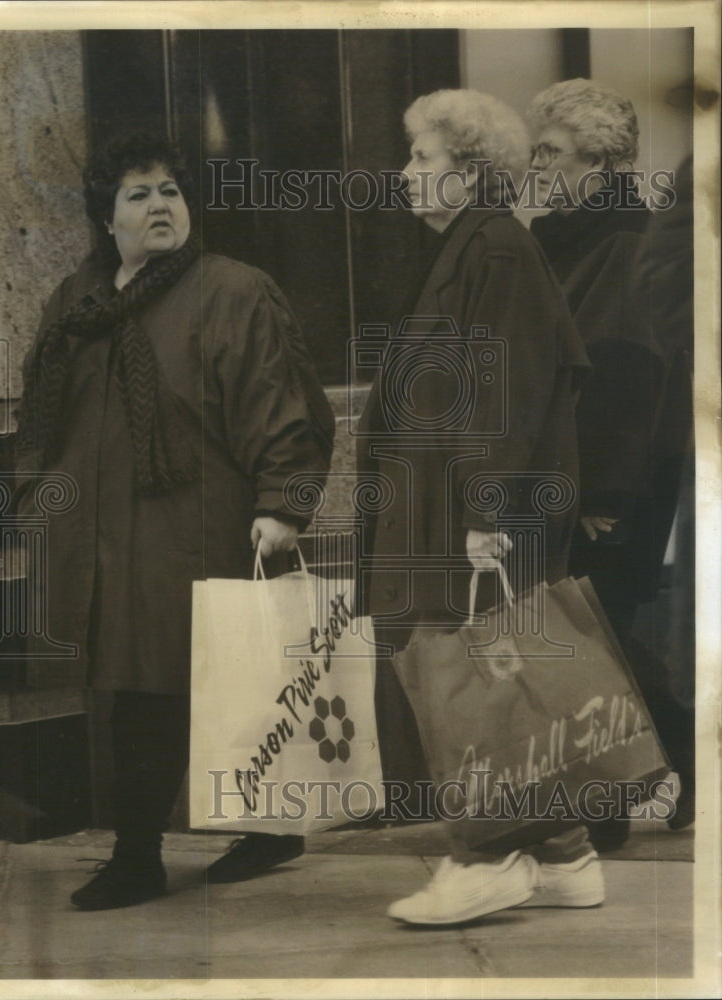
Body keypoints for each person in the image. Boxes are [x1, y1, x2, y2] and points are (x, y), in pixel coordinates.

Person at [14, 132, 335, 910]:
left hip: (198, 524)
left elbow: (281, 401)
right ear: (107, 217)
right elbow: (41, 412)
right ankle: (267, 829)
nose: (160, 207)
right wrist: (34, 497)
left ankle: (136, 856)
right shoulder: (79, 300)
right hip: (101, 532)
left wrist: (282, 505)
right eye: (138, 195)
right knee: (147, 683)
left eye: (170, 192)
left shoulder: (232, 290)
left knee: (155, 686)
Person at [356, 89, 598, 926]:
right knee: (503, 679)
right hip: (460, 512)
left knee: (470, 685)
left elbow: (508, 386)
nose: (406, 174)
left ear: (470, 173)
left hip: (470, 520)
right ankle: (564, 855)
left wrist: (484, 511)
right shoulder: (481, 247)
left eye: (422, 160)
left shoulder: (491, 248)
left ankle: (488, 858)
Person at [527, 80, 695, 842]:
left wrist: (604, 493)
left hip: (609, 477)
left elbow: (628, 370)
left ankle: (661, 768)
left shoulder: (622, 238)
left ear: (599, 162)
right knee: (590, 635)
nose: (537, 165)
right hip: (574, 471)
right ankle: (630, 788)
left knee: (603, 635)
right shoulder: (562, 237)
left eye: (551, 152)